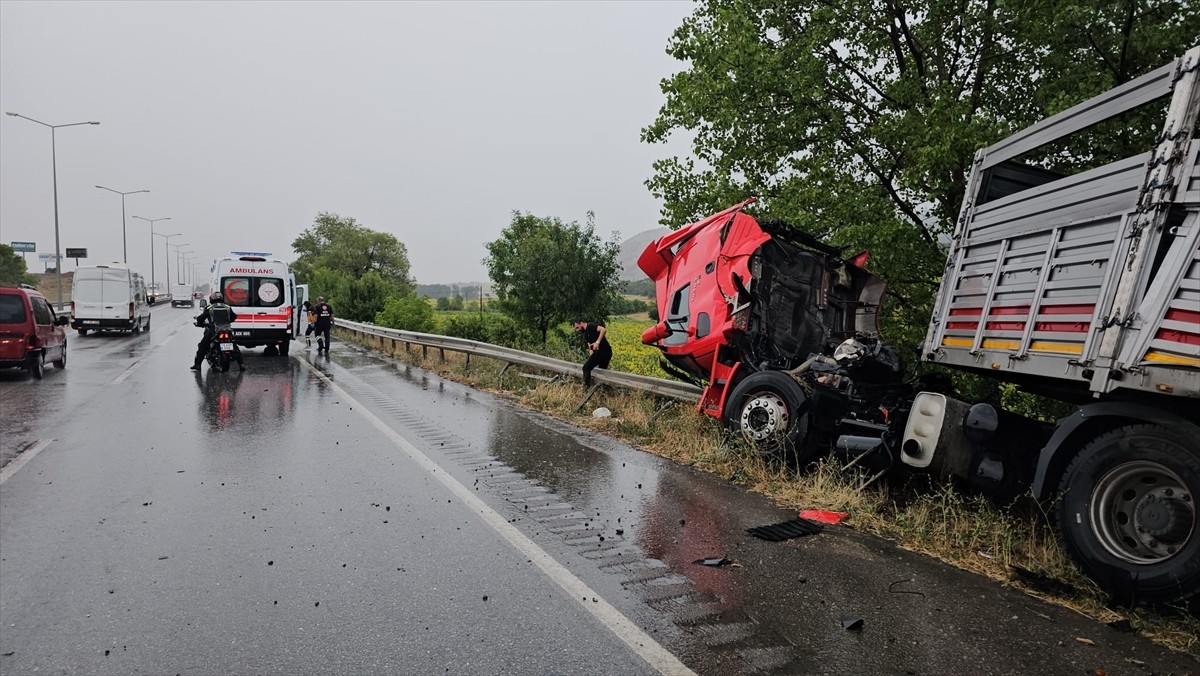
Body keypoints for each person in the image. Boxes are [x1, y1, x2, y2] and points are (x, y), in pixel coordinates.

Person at [192, 292, 244, 371]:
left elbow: (201, 318)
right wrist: (228, 321)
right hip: (227, 329)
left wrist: (199, 323)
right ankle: (241, 364)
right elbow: (234, 317)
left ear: (211, 299)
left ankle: (198, 365)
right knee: (234, 345)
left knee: (203, 345)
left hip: (213, 330)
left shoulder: (209, 307)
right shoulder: (227, 306)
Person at [573, 319, 611, 388]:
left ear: (581, 323)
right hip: (603, 352)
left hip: (604, 351)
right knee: (602, 372)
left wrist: (597, 342)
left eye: (577, 327)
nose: (577, 330)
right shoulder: (585, 334)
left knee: (586, 368)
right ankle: (603, 390)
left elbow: (603, 330)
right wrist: (591, 358)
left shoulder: (590, 326)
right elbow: (590, 348)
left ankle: (586, 388)